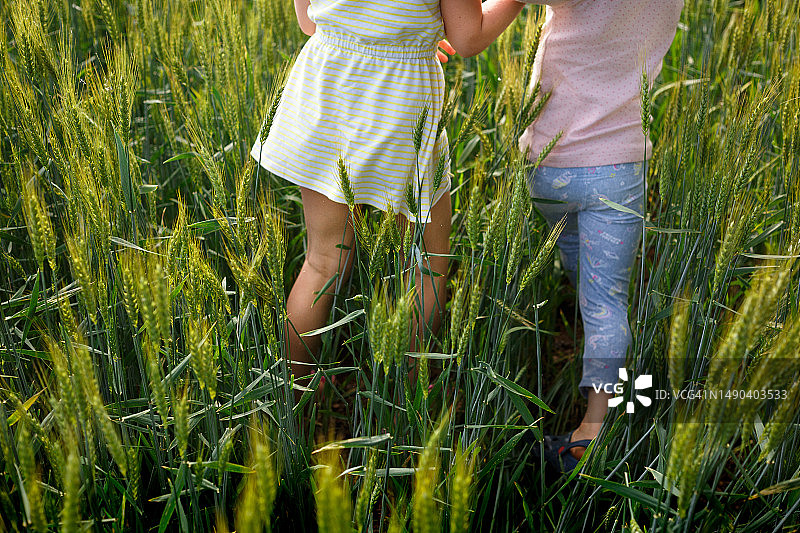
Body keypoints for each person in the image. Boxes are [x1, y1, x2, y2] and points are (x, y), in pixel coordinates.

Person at [250, 0, 527, 399]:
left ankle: (295, 394)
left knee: (323, 261)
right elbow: (468, 37)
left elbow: (306, 20)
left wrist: (390, 34)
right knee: (425, 266)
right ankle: (406, 398)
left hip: (324, 86)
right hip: (397, 103)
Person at [516, 0, 684, 472]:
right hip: (617, 166)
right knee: (605, 299)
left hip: (549, 162)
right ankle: (597, 429)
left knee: (581, 277)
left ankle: (596, 410)